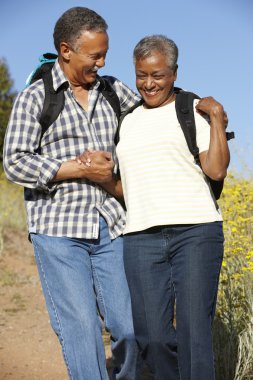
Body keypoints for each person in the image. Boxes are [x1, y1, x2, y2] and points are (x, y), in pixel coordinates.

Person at [3, 7, 142, 380]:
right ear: (66, 50)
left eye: (105, 54)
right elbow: (14, 162)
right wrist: (78, 169)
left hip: (112, 224)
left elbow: (149, 117)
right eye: (94, 55)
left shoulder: (114, 91)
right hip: (57, 228)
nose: (102, 62)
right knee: (80, 325)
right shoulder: (35, 98)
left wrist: (195, 109)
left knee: (128, 326)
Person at [79, 35, 230, 380]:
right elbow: (127, 190)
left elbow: (217, 170)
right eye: (142, 75)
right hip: (140, 238)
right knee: (152, 338)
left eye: (158, 75)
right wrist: (101, 177)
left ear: (174, 73)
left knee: (194, 332)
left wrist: (218, 118)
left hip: (196, 233)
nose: (149, 84)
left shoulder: (193, 110)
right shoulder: (127, 122)